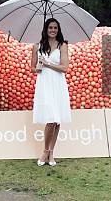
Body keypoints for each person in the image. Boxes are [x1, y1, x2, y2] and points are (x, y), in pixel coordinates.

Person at [31, 18, 71, 166]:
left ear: (58, 30)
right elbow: (32, 68)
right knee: (50, 118)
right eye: (50, 28)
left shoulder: (63, 46)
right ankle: (45, 151)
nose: (53, 30)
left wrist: (48, 63)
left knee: (57, 119)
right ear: (46, 29)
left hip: (58, 84)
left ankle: (51, 152)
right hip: (44, 85)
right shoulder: (37, 46)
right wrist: (38, 68)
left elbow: (64, 68)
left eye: (55, 28)